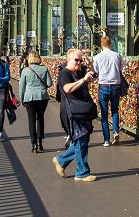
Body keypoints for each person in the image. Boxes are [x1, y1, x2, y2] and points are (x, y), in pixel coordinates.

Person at [52, 48, 98, 182]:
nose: (79, 63)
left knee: (81, 139)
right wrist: (83, 79)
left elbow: (94, 76)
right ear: (69, 60)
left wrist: (89, 65)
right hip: (72, 112)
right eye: (76, 60)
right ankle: (82, 172)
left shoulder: (80, 71)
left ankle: (61, 161)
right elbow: (67, 88)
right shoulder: (65, 73)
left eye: (81, 60)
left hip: (82, 110)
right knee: (81, 139)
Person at [93, 35, 123, 146]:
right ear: (110, 44)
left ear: (101, 44)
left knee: (104, 114)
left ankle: (106, 140)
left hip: (103, 85)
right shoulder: (117, 55)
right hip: (116, 85)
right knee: (115, 111)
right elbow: (120, 70)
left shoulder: (97, 57)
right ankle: (115, 131)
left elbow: (96, 72)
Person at [19, 51, 52, 153]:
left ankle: (33, 144)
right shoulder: (44, 68)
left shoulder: (25, 70)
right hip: (42, 97)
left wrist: (22, 99)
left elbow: (21, 87)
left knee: (31, 120)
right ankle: (40, 141)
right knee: (40, 118)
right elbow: (49, 83)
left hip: (30, 97)